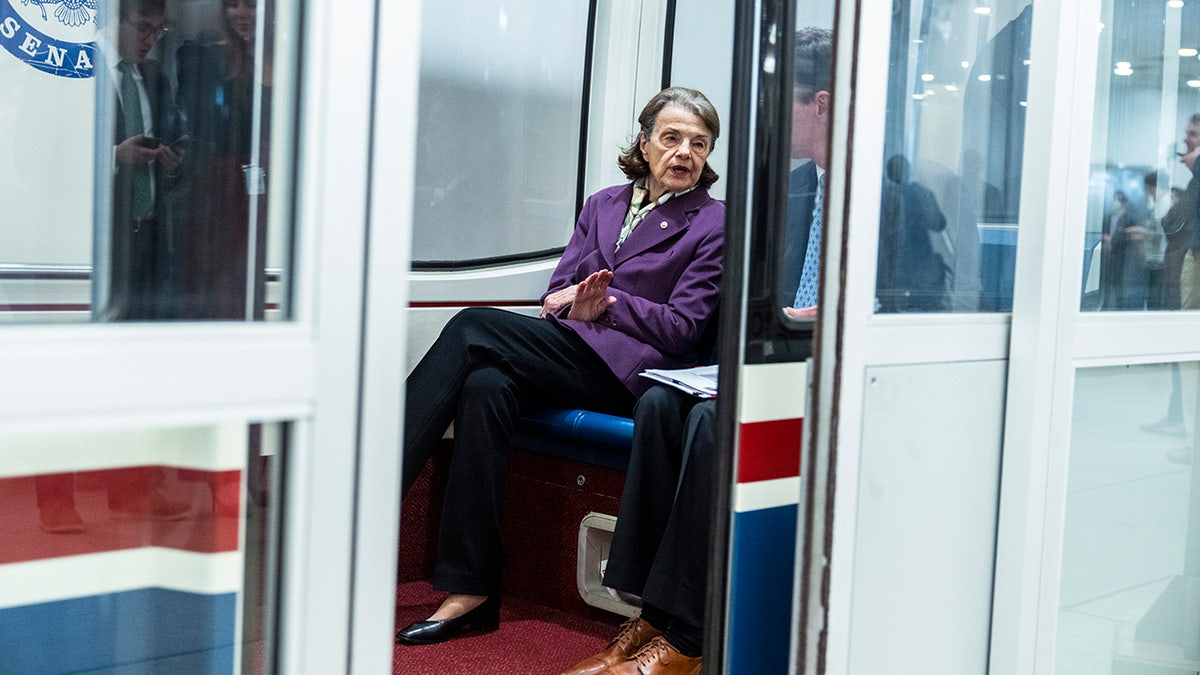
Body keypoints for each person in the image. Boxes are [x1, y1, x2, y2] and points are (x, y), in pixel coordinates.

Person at [395, 86, 725, 646]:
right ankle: (470, 587)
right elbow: (557, 292)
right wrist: (577, 302)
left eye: (699, 143)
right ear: (644, 144)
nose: (684, 154)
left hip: (636, 377)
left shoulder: (712, 222)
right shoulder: (603, 204)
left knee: (473, 326)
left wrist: (610, 304)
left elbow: (683, 328)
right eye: (670, 139)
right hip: (576, 351)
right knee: (485, 384)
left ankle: (370, 488)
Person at [559, 28, 834, 675]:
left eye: (782, 102)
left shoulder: (890, 194)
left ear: (820, 104)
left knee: (713, 420)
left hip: (829, 369)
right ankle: (649, 612)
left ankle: (687, 636)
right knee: (658, 401)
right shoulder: (787, 191)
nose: (767, 118)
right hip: (774, 357)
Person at [174, 0, 272, 320]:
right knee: (220, 281)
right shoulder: (205, 58)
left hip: (271, 189)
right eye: (233, 5)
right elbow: (204, 125)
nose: (242, 14)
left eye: (251, 6)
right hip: (223, 188)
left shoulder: (289, 60)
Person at [103, 0, 188, 321]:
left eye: (159, 31)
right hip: (101, 243)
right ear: (114, 18)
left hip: (149, 242)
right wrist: (115, 156)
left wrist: (173, 161)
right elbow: (38, 162)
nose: (151, 41)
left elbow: (174, 147)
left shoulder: (155, 80)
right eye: (143, 28)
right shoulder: (79, 74)